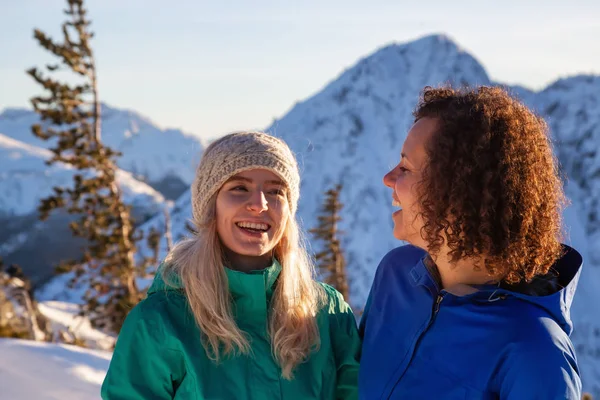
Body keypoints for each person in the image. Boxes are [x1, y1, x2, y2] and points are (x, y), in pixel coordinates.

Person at [359, 86, 583, 399]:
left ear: (459, 192)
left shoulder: (535, 353)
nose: (388, 178)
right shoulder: (394, 275)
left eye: (406, 168)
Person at [102, 131, 360, 399]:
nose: (259, 205)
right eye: (239, 188)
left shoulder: (327, 314)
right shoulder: (160, 321)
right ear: (211, 205)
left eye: (275, 191)